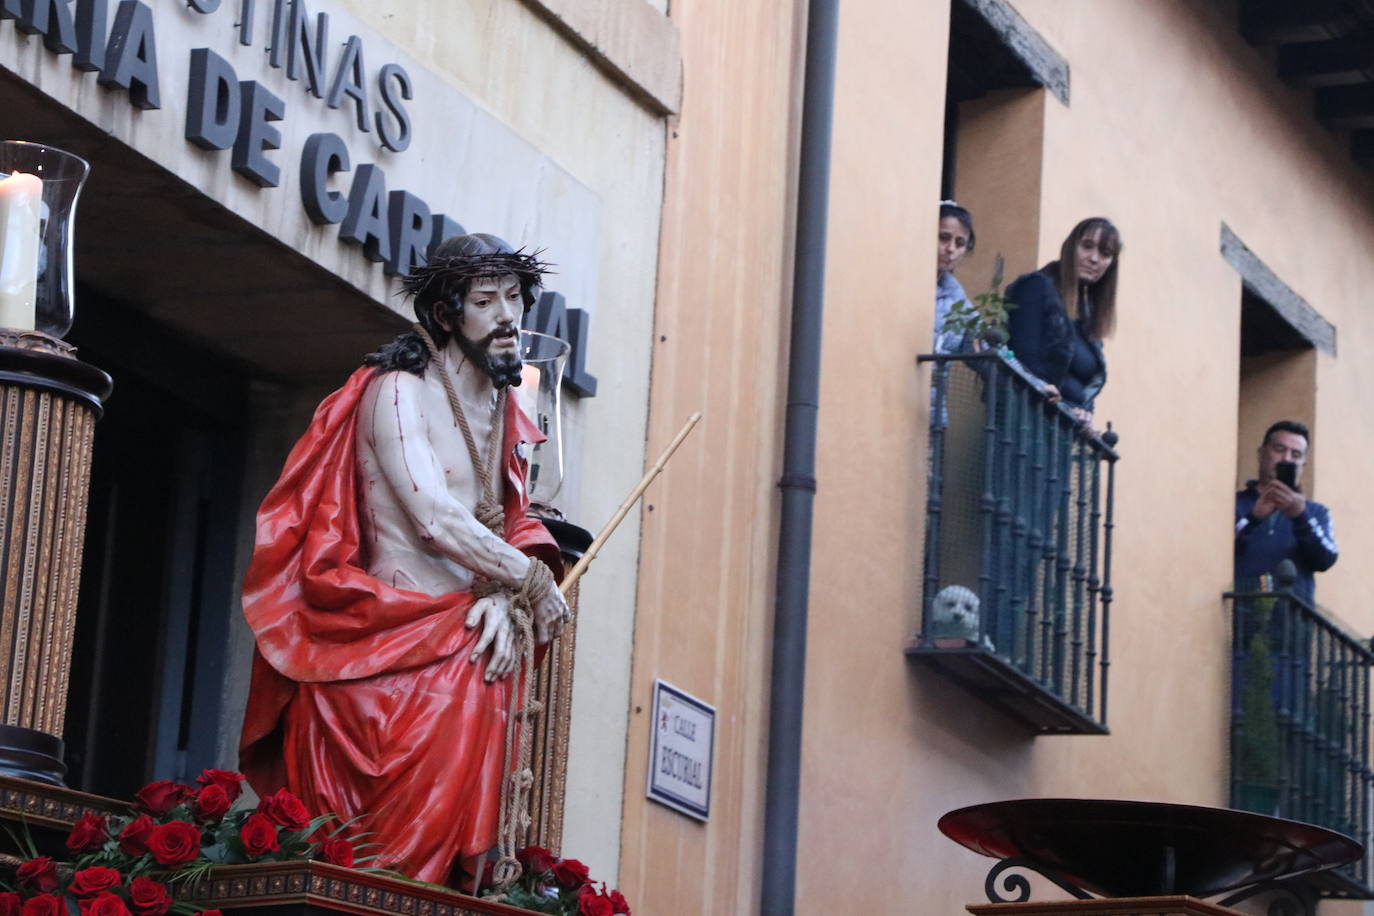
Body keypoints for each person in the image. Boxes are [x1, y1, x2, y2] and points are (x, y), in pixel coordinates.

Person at [238, 233, 570, 888]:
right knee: (364, 874)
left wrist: (505, 597)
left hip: (462, 647)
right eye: (486, 300)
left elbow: (512, 516)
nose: (507, 316)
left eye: (514, 298)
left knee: (441, 874)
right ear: (446, 315)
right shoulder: (397, 392)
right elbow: (434, 515)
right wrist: (527, 580)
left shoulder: (505, 407)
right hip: (377, 646)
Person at [1004, 217, 1122, 422]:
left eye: (1105, 254)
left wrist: (1085, 414)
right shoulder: (1036, 287)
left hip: (1060, 433)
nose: (1094, 259)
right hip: (1025, 422)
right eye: (1087, 246)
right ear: (1070, 247)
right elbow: (1024, 362)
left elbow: (1085, 385)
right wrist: (1063, 404)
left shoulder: (1088, 318)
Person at [1235, 420, 1338, 602]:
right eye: (1279, 449)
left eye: (1296, 454)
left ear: (1303, 464)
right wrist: (1253, 518)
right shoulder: (1234, 502)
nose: (1286, 459)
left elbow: (1326, 559)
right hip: (1237, 619)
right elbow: (1215, 549)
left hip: (1292, 626)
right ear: (1261, 453)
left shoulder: (1316, 512)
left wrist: (1300, 515)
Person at [934, 200, 976, 353]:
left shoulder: (955, 295)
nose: (951, 249)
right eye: (944, 238)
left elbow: (980, 343)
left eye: (959, 243)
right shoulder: (901, 283)